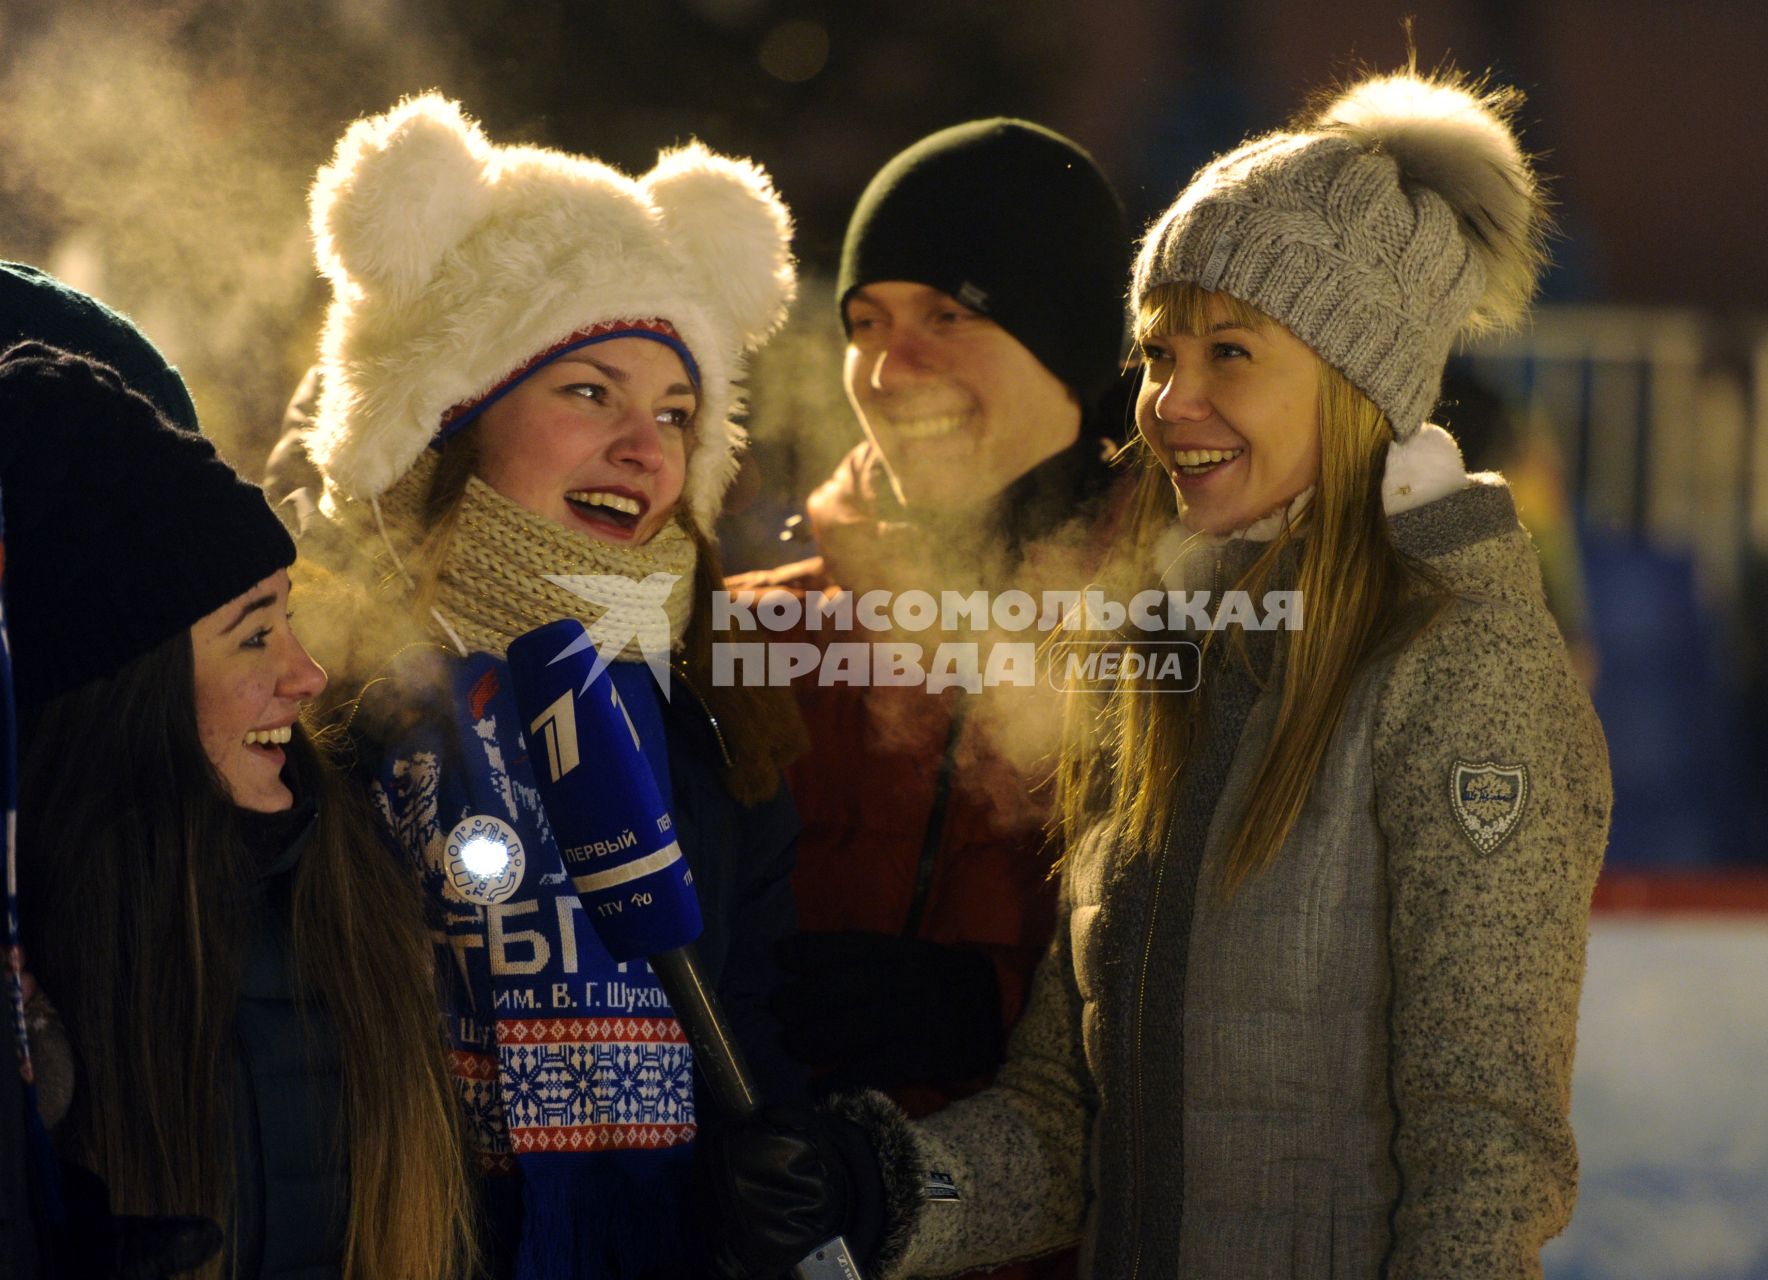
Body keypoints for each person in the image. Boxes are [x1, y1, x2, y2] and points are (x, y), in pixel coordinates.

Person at [703, 68, 1613, 1279]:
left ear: (1357, 381)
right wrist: (878, 1180)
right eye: (1155, 353)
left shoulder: (1455, 666)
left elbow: (1483, 1155)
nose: (1168, 403)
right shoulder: (1160, 658)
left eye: (1228, 351)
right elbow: (1073, 1121)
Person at [295, 94, 803, 1278]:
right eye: (589, 391)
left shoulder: (719, 711)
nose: (645, 444)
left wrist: (795, 1168)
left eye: (677, 412)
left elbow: (759, 1016)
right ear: (450, 420)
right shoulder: (323, 687)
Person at [1, 342, 475, 1280]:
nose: (308, 675)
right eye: (254, 635)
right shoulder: (38, 981)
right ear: (122, 694)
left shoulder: (355, 891)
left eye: (290, 621)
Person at [726, 121, 1130, 1210]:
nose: (887, 367)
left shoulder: (1176, 634)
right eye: (865, 322)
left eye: (947, 313)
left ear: (1066, 338)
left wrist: (993, 1006)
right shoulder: (749, 635)